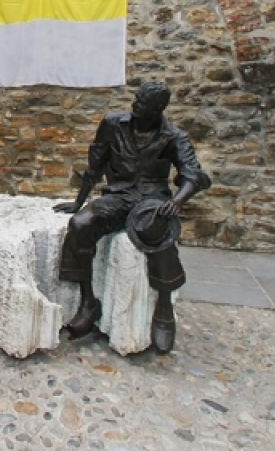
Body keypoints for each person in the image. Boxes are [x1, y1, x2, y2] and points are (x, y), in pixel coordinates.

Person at [53, 81, 211, 353]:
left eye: (142, 103)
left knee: (157, 233)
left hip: (151, 200)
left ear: (158, 109)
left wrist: (177, 201)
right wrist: (79, 201)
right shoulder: (113, 124)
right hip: (118, 195)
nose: (135, 105)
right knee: (80, 224)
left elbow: (193, 174)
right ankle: (88, 302)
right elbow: (96, 163)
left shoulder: (173, 136)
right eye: (136, 99)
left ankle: (164, 308)